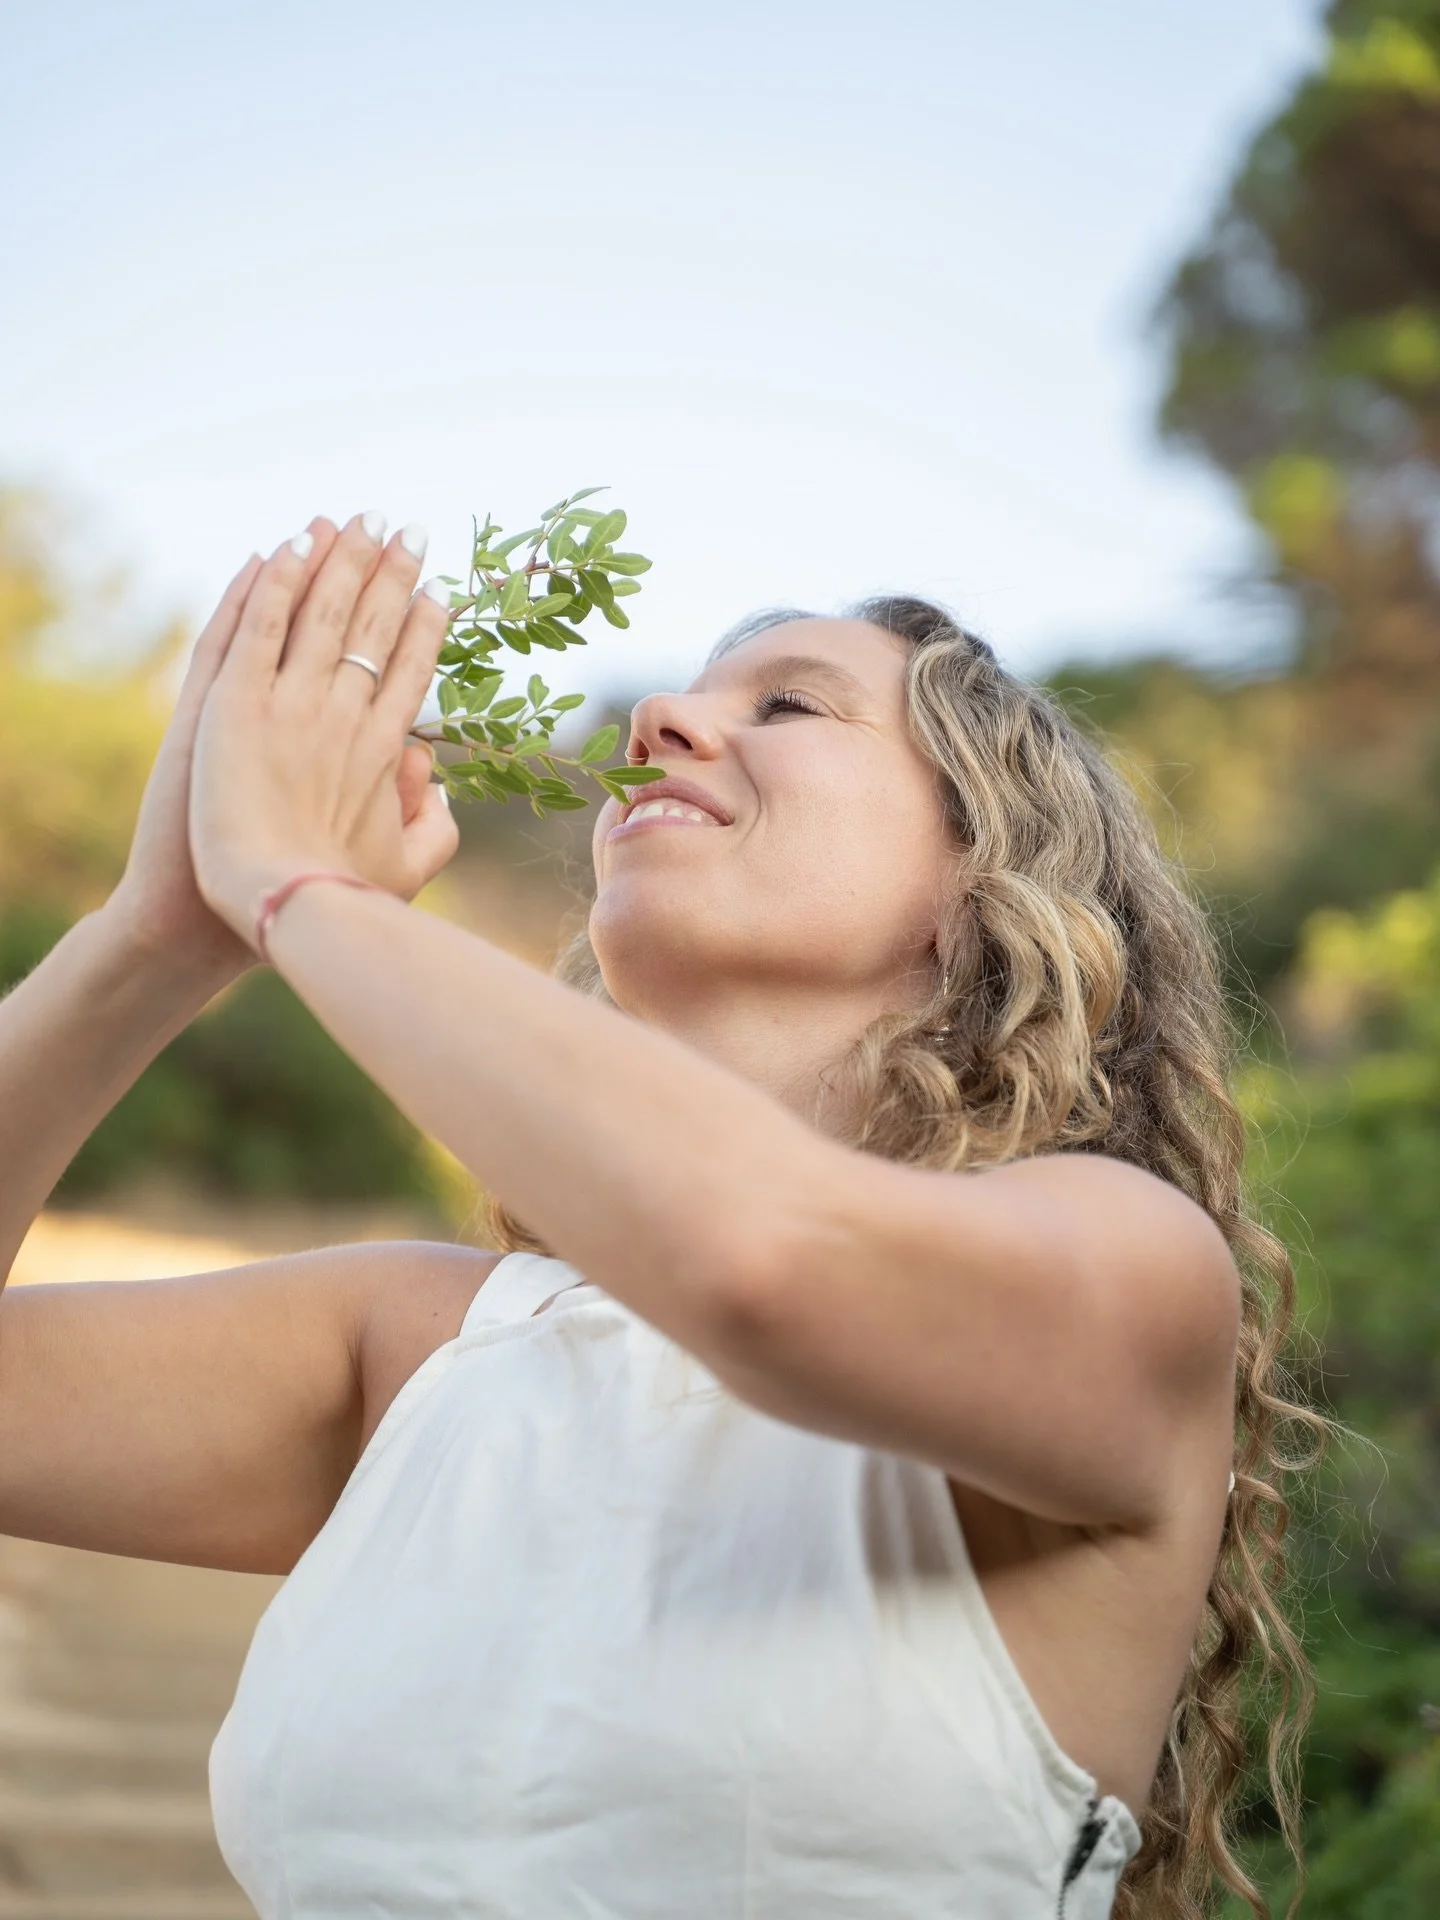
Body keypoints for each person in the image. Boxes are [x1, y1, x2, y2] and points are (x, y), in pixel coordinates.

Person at [0, 511, 1321, 1919]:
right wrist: (152, 940)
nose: (659, 722)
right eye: (684, 694)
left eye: (790, 705)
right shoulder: (417, 1346)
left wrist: (295, 882)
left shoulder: (1132, 1265)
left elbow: (770, 1269)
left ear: (977, 874)